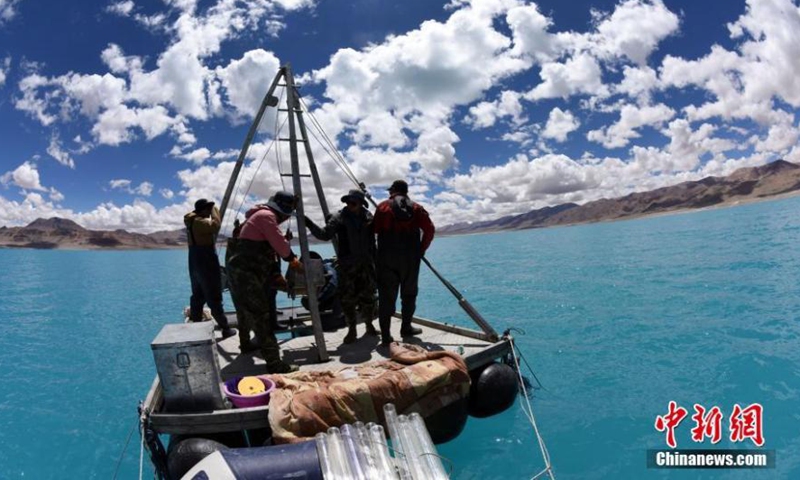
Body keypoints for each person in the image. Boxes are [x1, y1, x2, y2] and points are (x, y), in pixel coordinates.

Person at [225, 191, 303, 374]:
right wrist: (293, 260)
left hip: (240, 272)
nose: (286, 218)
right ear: (282, 210)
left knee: (243, 310)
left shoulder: (258, 215)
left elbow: (269, 243)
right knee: (261, 316)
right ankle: (275, 364)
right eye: (287, 213)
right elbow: (280, 246)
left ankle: (245, 345)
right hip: (246, 274)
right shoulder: (266, 216)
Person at [305, 189, 378, 344]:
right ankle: (352, 329)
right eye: (347, 202)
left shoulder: (368, 216)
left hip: (366, 264)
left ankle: (369, 324)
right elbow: (324, 235)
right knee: (347, 299)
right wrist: (309, 223)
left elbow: (373, 240)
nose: (349, 205)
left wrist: (376, 261)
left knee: (369, 297)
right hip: (347, 266)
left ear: (360, 204)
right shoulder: (339, 218)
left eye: (353, 203)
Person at [373, 180, 435, 345]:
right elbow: (430, 230)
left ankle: (386, 336)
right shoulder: (417, 208)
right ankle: (406, 328)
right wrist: (421, 250)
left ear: (393, 190)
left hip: (386, 258)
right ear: (406, 191)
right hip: (410, 259)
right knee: (409, 294)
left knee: (386, 297)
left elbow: (375, 230)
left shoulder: (382, 207)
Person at [184, 199, 236, 339]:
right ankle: (225, 329)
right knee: (213, 294)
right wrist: (215, 211)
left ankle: (196, 326)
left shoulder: (192, 222)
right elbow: (215, 226)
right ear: (202, 210)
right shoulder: (200, 222)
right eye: (208, 209)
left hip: (195, 260)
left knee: (198, 294)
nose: (209, 212)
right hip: (205, 260)